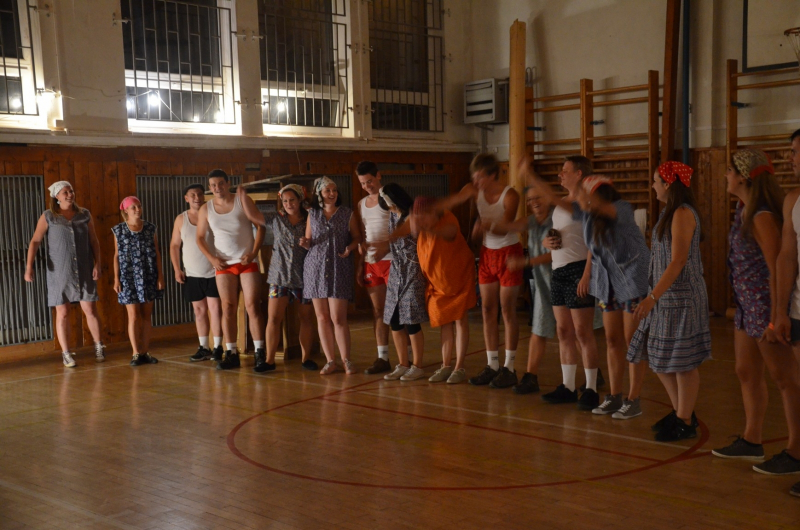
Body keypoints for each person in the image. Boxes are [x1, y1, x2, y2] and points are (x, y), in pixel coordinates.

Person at [532, 169, 649, 418]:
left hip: (631, 281)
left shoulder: (621, 209)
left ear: (597, 195)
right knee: (612, 340)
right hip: (608, 282)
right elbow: (560, 202)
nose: (580, 199)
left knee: (632, 341)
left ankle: (634, 399)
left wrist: (587, 198)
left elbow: (606, 211)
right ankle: (615, 396)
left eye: (586, 194)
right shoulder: (588, 215)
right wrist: (534, 179)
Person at [712, 148, 800, 477]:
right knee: (745, 370)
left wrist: (776, 317)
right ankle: (752, 439)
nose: (726, 176)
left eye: (730, 170)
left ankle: (796, 449)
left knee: (785, 378)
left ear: (744, 177)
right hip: (746, 305)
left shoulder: (761, 216)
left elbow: (778, 265)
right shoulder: (743, 209)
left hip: (764, 307)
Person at [628, 162, 711, 441]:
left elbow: (678, 261)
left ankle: (684, 420)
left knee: (683, 361)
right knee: (657, 355)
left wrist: (652, 297)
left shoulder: (683, 213)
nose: (653, 186)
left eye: (656, 181)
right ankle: (681, 412)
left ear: (668, 184)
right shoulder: (668, 212)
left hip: (682, 298)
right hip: (666, 297)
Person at [519, 157, 603, 409]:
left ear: (579, 174)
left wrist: (587, 275)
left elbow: (595, 243)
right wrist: (547, 242)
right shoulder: (563, 204)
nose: (560, 175)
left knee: (583, 332)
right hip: (559, 270)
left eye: (565, 171)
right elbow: (561, 233)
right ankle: (568, 386)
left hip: (578, 269)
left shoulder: (587, 203)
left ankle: (591, 388)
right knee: (564, 331)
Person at [436, 153, 521, 389]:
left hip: (508, 253)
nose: (476, 181)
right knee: (487, 309)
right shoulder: (473, 190)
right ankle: (492, 364)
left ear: (492, 175)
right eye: (473, 176)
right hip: (487, 253)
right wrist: (427, 210)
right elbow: (453, 200)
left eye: (480, 176)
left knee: (507, 310)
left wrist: (485, 225)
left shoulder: (510, 195)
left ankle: (509, 367)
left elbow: (505, 228)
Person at [236, 184, 318, 372]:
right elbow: (253, 215)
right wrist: (243, 196)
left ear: (300, 200)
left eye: (292, 200)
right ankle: (269, 360)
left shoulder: (311, 219)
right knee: (273, 318)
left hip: (305, 276)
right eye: (285, 201)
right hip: (279, 276)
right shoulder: (276, 218)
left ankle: (306, 358)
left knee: (306, 318)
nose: (289, 204)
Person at [24, 181, 106, 367]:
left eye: (71, 191)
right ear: (57, 196)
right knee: (63, 312)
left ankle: (99, 346)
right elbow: (35, 241)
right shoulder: (49, 216)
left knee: (90, 309)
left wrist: (98, 264)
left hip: (84, 269)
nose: (70, 194)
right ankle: (66, 353)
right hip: (59, 271)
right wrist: (29, 267)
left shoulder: (84, 215)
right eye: (65, 192)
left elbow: (94, 240)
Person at [196, 169, 266, 371]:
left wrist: (253, 253)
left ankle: (259, 351)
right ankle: (231, 351)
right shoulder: (206, 208)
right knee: (227, 307)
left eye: (221, 183)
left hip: (246, 261)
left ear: (228, 184)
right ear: (210, 188)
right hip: (224, 264)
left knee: (252, 305)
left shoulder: (242, 200)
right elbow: (199, 237)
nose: (217, 188)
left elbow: (261, 226)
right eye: (213, 185)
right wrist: (212, 258)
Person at [493, 186, 556, 394]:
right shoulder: (531, 220)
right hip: (542, 283)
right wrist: (489, 219)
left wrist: (525, 262)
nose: (534, 202)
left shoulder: (557, 218)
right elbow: (509, 226)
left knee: (573, 332)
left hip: (561, 281)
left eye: (538, 197)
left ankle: (593, 374)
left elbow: (556, 253)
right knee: (539, 328)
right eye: (529, 200)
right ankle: (531, 376)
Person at [300, 177, 361, 375]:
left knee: (338, 317)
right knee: (322, 317)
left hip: (339, 267)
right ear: (320, 193)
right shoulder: (313, 214)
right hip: (315, 269)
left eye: (334, 190)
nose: (332, 193)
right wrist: (305, 243)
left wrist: (350, 248)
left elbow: (357, 237)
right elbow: (309, 241)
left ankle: (346, 360)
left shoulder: (347, 213)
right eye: (328, 190)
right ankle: (330, 361)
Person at [367, 183, 429, 381]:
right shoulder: (393, 217)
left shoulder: (413, 216)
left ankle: (418, 365)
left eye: (389, 203)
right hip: (396, 270)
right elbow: (392, 243)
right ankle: (403, 364)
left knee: (410, 319)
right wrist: (380, 252)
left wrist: (383, 243)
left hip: (413, 269)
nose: (388, 207)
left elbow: (413, 237)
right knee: (394, 319)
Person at [413, 196, 476, 384]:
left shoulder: (447, 218)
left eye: (424, 215)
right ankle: (446, 365)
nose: (421, 219)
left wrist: (429, 228)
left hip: (459, 277)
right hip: (437, 283)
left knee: (460, 320)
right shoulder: (421, 226)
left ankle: (459, 367)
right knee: (445, 323)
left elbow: (450, 233)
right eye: (418, 216)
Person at [169, 183, 223, 363]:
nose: (197, 198)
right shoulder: (181, 219)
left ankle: (218, 347)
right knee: (199, 311)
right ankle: (204, 347)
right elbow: (174, 245)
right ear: (186, 198)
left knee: (216, 310)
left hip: (214, 271)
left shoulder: (212, 215)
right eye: (192, 195)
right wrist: (177, 269)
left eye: (200, 194)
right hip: (192, 273)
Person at [774, 129, 800, 497]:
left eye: (795, 151)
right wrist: (780, 310)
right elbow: (786, 257)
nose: (791, 158)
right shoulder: (793, 200)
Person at [112, 196, 163, 366]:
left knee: (146, 315)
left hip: (148, 274)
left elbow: (156, 253)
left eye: (139, 206)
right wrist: (116, 278)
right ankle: (135, 353)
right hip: (128, 277)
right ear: (126, 210)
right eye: (133, 207)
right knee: (133, 315)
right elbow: (116, 255)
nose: (137, 209)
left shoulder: (150, 228)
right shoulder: (118, 230)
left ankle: (145, 351)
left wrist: (160, 276)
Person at [354, 161, 393, 375]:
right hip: (371, 262)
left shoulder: (390, 198)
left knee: (397, 311)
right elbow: (363, 235)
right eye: (362, 183)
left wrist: (386, 246)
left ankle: (407, 357)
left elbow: (404, 228)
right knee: (378, 311)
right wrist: (361, 263)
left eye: (369, 181)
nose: (367, 186)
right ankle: (382, 357)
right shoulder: (361, 204)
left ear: (378, 176)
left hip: (392, 260)